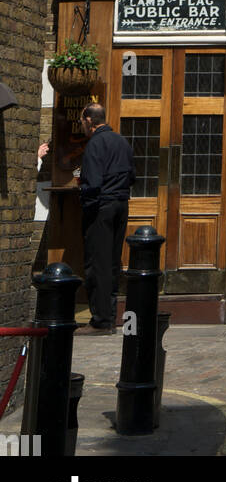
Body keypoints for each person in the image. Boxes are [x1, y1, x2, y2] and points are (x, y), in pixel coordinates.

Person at [77, 104, 136, 334]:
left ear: (90, 120)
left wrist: (86, 204)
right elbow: (132, 175)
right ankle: (110, 317)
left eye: (82, 121)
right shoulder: (122, 141)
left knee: (97, 264)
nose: (81, 125)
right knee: (112, 262)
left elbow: (92, 183)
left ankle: (100, 321)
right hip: (121, 205)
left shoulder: (94, 145)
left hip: (101, 207)